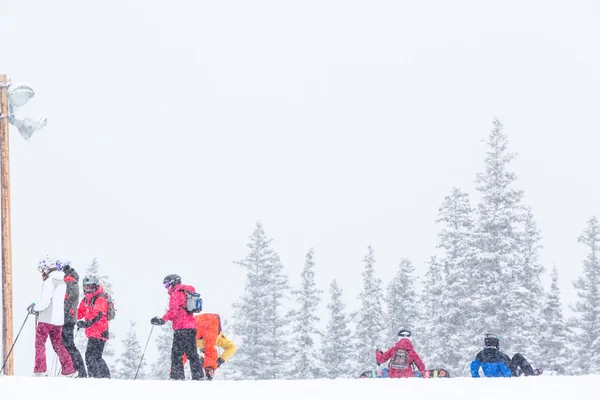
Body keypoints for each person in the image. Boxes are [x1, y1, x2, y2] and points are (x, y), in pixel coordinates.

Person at [28, 255, 76, 377]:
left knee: (40, 344)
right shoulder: (62, 282)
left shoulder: (49, 281)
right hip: (58, 320)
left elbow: (45, 302)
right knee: (58, 345)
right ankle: (68, 370)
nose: (42, 272)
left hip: (46, 319)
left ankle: (40, 369)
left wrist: (35, 307)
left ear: (47, 267)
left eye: (42, 269)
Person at [151, 274, 204, 380]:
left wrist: (162, 320)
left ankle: (177, 376)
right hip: (191, 327)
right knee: (192, 353)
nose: (166, 287)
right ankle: (198, 376)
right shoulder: (186, 292)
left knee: (176, 354)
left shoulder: (176, 294)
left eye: (167, 284)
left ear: (173, 282)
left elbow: (173, 311)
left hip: (181, 328)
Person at [181, 313, 237, 380]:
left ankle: (176, 374)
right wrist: (220, 360)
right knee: (209, 350)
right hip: (207, 322)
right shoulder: (218, 339)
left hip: (196, 322)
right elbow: (232, 347)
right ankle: (209, 372)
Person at [77, 275, 111, 378]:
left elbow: (98, 314)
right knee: (91, 357)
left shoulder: (100, 298)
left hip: (100, 331)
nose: (88, 290)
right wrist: (69, 317)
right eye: (86, 287)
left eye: (91, 287)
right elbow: (80, 312)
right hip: (92, 332)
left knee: (94, 357)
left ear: (96, 287)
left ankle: (103, 377)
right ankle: (95, 377)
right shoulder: (86, 300)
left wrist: (86, 323)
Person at [470, 333, 543, 378]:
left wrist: (476, 377)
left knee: (514, 365)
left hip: (491, 374)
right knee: (518, 357)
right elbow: (504, 368)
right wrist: (510, 377)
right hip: (506, 374)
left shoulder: (480, 354)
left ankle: (521, 371)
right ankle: (531, 373)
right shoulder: (498, 355)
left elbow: (474, 367)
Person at [60, 260, 87, 378]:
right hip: (67, 316)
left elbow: (72, 297)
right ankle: (74, 370)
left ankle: (78, 371)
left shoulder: (70, 281)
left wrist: (64, 308)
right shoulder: (67, 280)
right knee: (66, 344)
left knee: (68, 344)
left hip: (67, 318)